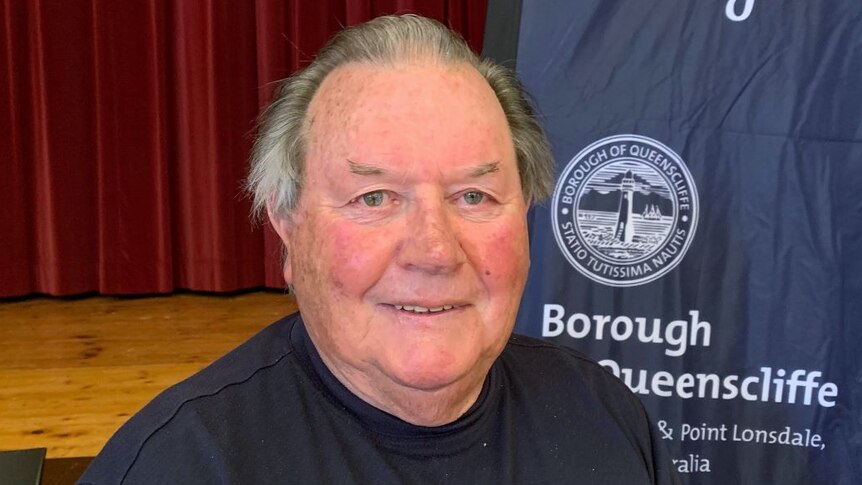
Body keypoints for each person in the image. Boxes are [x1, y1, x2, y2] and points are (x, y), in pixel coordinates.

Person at [80, 14, 679, 484]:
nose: (435, 250)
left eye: (473, 195)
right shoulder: (179, 464)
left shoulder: (603, 414)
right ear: (286, 226)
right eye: (375, 198)